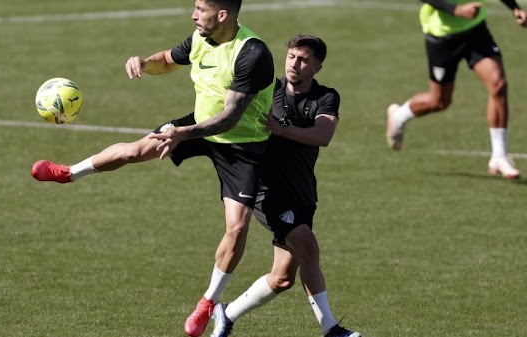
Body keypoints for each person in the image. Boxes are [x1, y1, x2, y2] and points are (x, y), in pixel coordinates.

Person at [30, 1, 274, 336]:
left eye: (200, 8)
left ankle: (208, 303)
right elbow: (168, 59)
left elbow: (231, 117)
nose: (193, 14)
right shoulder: (201, 36)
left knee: (237, 228)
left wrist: (181, 134)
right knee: (136, 150)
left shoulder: (252, 53)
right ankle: (69, 173)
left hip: (242, 146)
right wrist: (143, 63)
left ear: (222, 15)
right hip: (200, 124)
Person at [209, 35, 361, 337]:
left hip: (302, 193)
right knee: (308, 245)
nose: (295, 64)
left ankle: (226, 315)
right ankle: (330, 328)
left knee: (281, 279)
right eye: (291, 56)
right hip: (268, 191)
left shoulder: (326, 97)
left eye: (303, 60)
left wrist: (282, 130)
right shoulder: (270, 90)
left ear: (317, 67)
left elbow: (323, 135)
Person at [386, 0, 527, 179]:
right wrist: (456, 10)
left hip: (475, 30)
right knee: (440, 101)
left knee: (498, 85)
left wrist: (514, 7)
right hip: (442, 36)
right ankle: (399, 116)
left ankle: (499, 156)